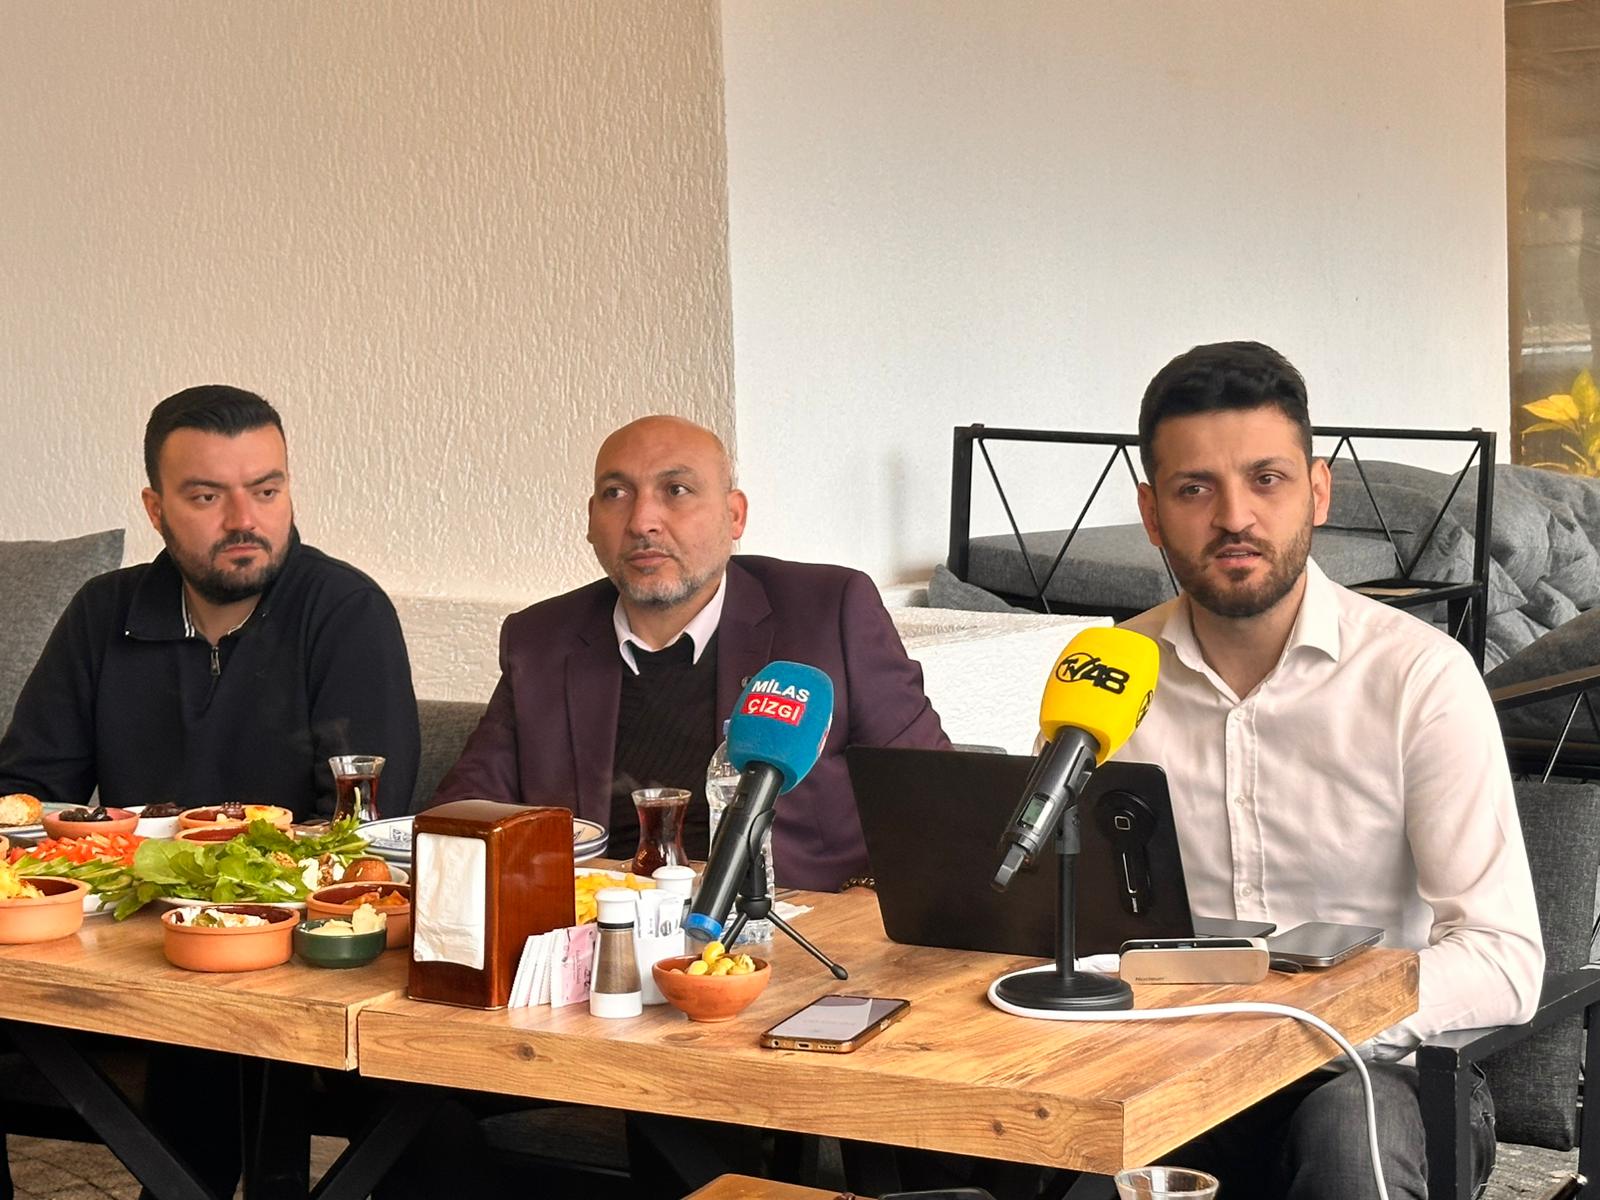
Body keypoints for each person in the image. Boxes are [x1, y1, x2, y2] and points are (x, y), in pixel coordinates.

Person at [1119, 341, 1543, 1199]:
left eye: (1266, 479)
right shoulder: (1108, 675)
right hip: (1169, 1071)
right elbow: (1065, 924)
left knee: (1349, 1130)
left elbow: (1504, 957)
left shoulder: (1419, 677)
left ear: (1318, 491)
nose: (1234, 516)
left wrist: (1300, 1027)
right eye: (1195, 488)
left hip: (1381, 1078)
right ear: (1152, 512)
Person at [430, 414, 948, 891]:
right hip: (597, 924)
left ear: (734, 515)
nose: (642, 521)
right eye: (616, 493)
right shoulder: (543, 638)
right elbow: (460, 816)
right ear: (590, 519)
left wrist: (866, 905)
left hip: (789, 925)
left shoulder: (828, 612)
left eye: (676, 490)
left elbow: (934, 801)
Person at [0, 384, 420, 818]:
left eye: (265, 492)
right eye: (207, 497)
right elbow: (23, 802)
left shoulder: (348, 612)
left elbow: (359, 826)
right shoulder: (103, 611)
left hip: (290, 864)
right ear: (156, 510)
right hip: (125, 863)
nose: (243, 521)